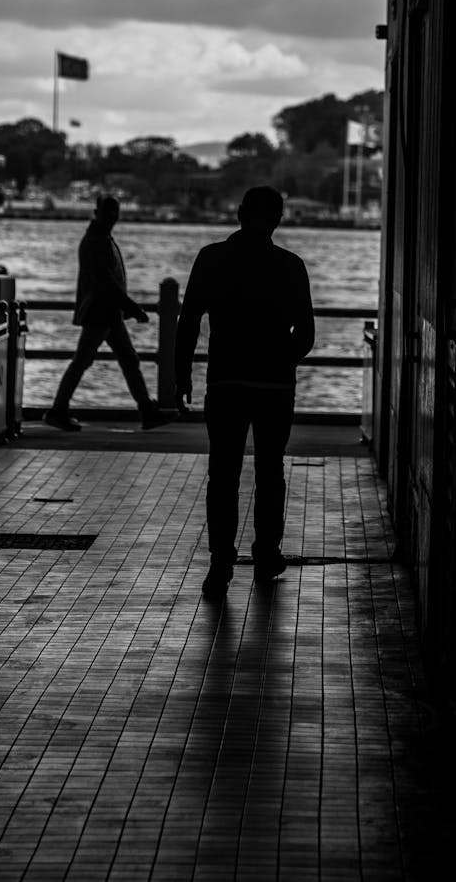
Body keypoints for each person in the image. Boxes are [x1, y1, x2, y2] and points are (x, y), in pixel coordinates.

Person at [174, 185, 315, 601]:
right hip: (274, 387)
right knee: (270, 472)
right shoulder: (291, 266)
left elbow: (188, 321)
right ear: (278, 219)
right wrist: (280, 360)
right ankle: (267, 553)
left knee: (224, 475)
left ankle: (220, 564)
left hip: (225, 383)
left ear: (238, 213)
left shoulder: (212, 258)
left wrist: (183, 374)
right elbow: (305, 334)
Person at [43, 194, 168, 432]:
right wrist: (132, 307)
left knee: (124, 360)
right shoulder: (96, 241)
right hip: (101, 313)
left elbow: (109, 282)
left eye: (115, 212)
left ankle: (146, 410)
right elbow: (107, 282)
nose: (113, 217)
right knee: (86, 361)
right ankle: (58, 410)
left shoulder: (99, 238)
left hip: (108, 313)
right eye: (110, 212)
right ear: (97, 213)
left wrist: (126, 307)